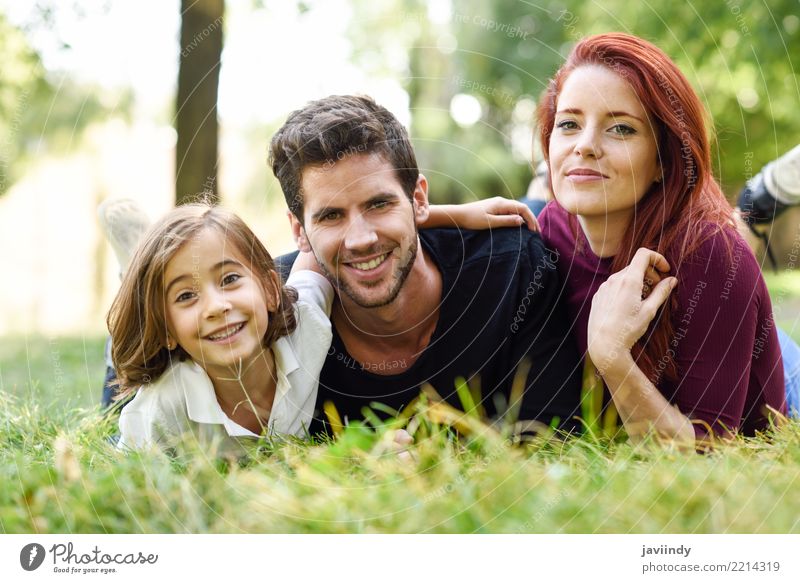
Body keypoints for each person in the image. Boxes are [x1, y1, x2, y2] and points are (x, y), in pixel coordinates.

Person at [444, 33, 787, 444]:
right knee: (531, 212)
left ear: (663, 160)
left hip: (775, 375)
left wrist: (612, 356)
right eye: (568, 125)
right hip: (563, 216)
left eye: (621, 129)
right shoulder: (551, 231)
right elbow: (374, 228)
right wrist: (441, 215)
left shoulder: (711, 255)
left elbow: (709, 451)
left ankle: (759, 202)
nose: (586, 145)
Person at [269, 95, 583, 436]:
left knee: (531, 214)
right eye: (331, 215)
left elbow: (554, 437)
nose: (360, 239)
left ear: (419, 200)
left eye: (379, 203)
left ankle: (540, 184)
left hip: (504, 225)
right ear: (298, 231)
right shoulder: (273, 312)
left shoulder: (517, 269)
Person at [108, 203, 333, 454]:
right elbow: (126, 478)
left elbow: (320, 252)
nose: (215, 307)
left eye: (229, 279)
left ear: (270, 290)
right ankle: (132, 261)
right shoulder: (162, 408)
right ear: (166, 331)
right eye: (185, 296)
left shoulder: (309, 325)